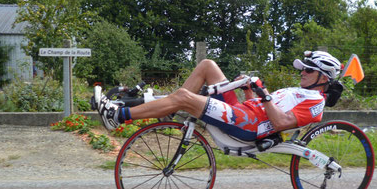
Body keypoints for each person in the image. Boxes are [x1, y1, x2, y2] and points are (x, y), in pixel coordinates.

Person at [96, 51, 341, 141]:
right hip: (243, 112)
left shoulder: (315, 103)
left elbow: (279, 123)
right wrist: (249, 90)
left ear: (323, 78)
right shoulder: (296, 91)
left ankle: (119, 116)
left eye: (309, 70)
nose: (303, 73)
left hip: (247, 125)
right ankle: (167, 106)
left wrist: (264, 93)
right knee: (207, 65)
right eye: (303, 69)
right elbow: (259, 107)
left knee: (184, 96)